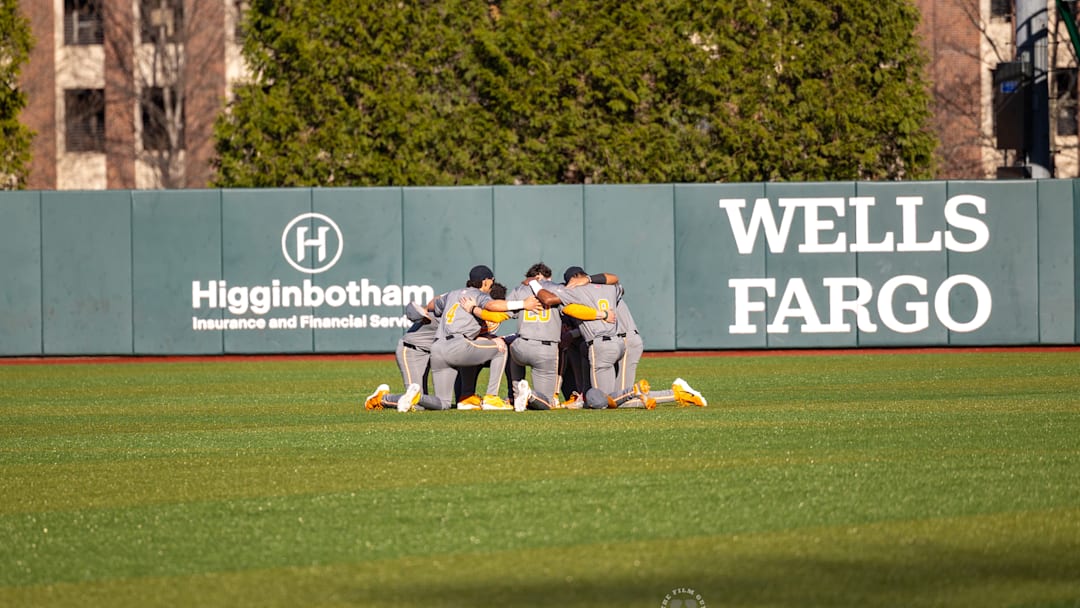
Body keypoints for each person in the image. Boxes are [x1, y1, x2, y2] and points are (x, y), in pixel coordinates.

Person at [428, 264, 541, 410]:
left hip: (437, 348)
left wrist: (445, 298)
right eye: (491, 282)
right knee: (501, 348)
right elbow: (492, 305)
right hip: (457, 344)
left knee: (442, 403)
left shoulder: (453, 294)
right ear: (486, 281)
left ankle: (413, 398)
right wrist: (523, 303)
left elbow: (431, 304)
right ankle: (491, 398)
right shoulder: (479, 294)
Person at [506, 263, 614, 411]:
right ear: (547, 277)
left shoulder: (520, 289)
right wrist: (603, 314)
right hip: (546, 349)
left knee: (513, 349)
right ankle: (532, 395)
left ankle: (515, 395)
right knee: (547, 401)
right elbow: (572, 309)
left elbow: (503, 311)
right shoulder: (558, 288)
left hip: (522, 344)